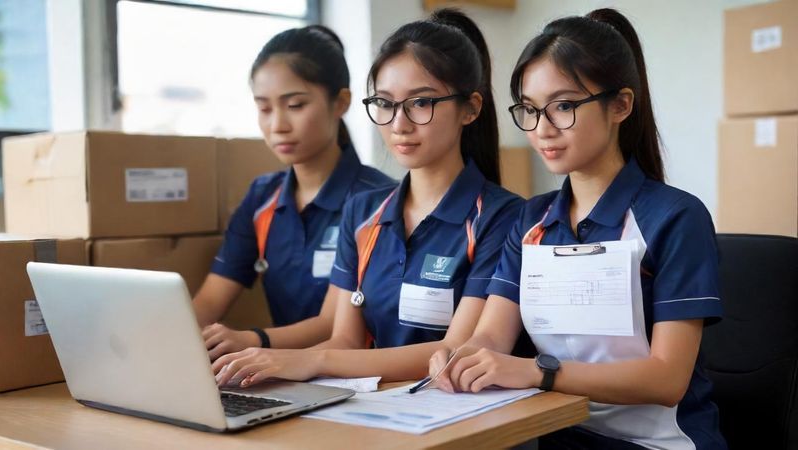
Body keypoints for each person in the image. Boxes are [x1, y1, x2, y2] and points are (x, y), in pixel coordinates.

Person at [430, 9, 727, 449]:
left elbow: (667, 379)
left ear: (620, 105)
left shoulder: (675, 217)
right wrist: (462, 357)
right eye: (529, 110)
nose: (542, 129)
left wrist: (537, 371)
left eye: (564, 106)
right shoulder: (530, 220)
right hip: (557, 435)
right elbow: (492, 334)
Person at [212, 8, 523, 386]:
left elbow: (456, 348)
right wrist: (267, 361)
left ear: (470, 108)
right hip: (373, 409)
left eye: (421, 103)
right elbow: (346, 338)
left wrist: (313, 360)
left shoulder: (503, 216)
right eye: (386, 104)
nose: (399, 124)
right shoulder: (363, 211)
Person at [193, 25, 394, 359]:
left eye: (296, 105)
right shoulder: (261, 198)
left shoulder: (379, 200)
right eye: (264, 108)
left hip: (359, 379)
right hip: (276, 375)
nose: (277, 125)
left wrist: (254, 340)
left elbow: (336, 326)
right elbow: (210, 301)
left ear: (341, 102)